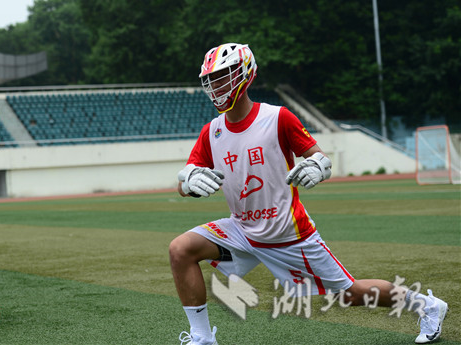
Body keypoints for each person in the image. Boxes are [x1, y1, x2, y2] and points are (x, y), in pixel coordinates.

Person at [169, 43, 448, 345]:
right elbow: (183, 183)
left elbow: (319, 158)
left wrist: (317, 167)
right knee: (180, 250)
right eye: (211, 79)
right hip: (242, 230)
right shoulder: (212, 132)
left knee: (351, 295)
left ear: (245, 75)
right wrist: (188, 182)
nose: (216, 85)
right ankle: (202, 338)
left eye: (223, 76)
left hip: (288, 234)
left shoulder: (278, 118)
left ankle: (428, 306)